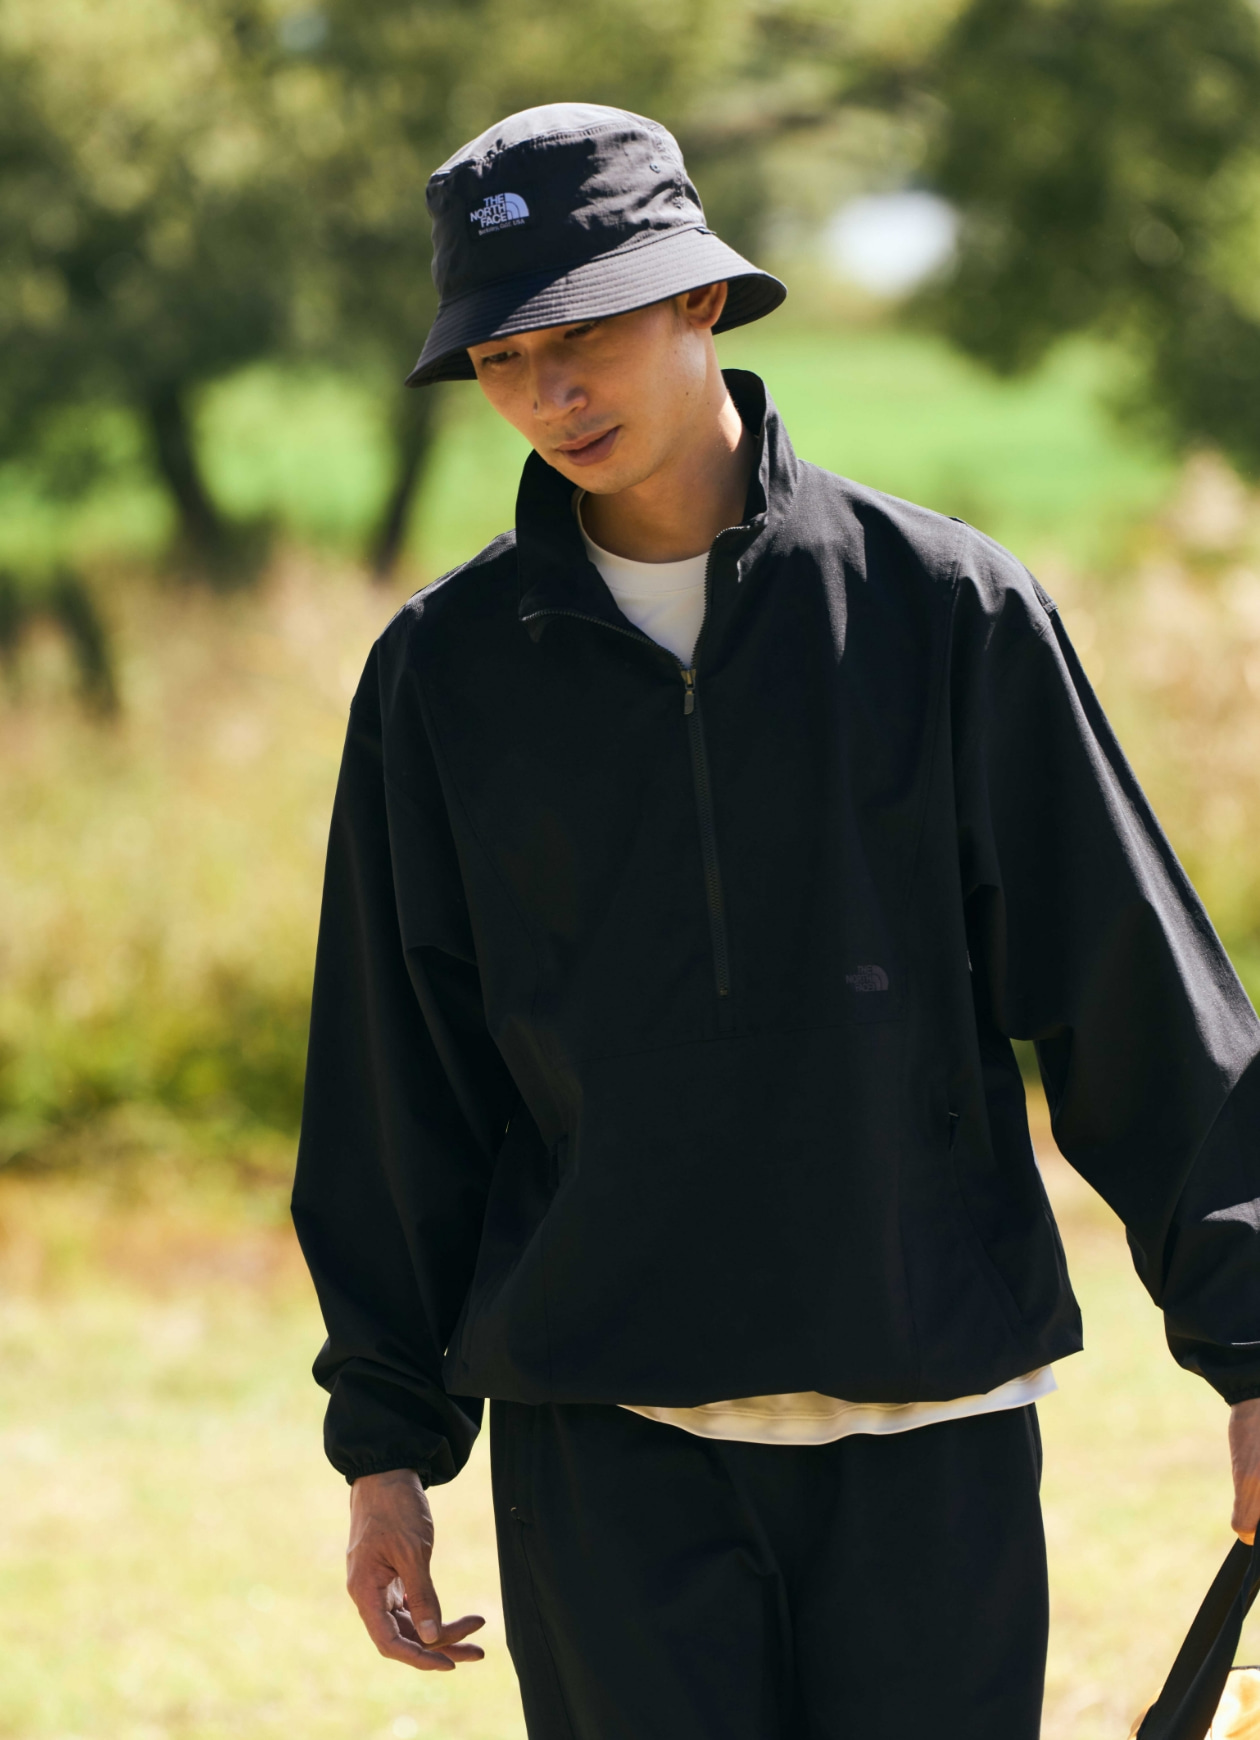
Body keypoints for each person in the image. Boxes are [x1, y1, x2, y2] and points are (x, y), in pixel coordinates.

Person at [292, 103, 1260, 1740]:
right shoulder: (444, 676)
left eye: (584, 334)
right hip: (604, 1445)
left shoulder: (945, 611)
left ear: (700, 298)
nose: (548, 393)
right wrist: (385, 1452)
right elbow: (399, 1084)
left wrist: (1253, 1343)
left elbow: (1133, 999)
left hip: (932, 1428)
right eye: (504, 359)